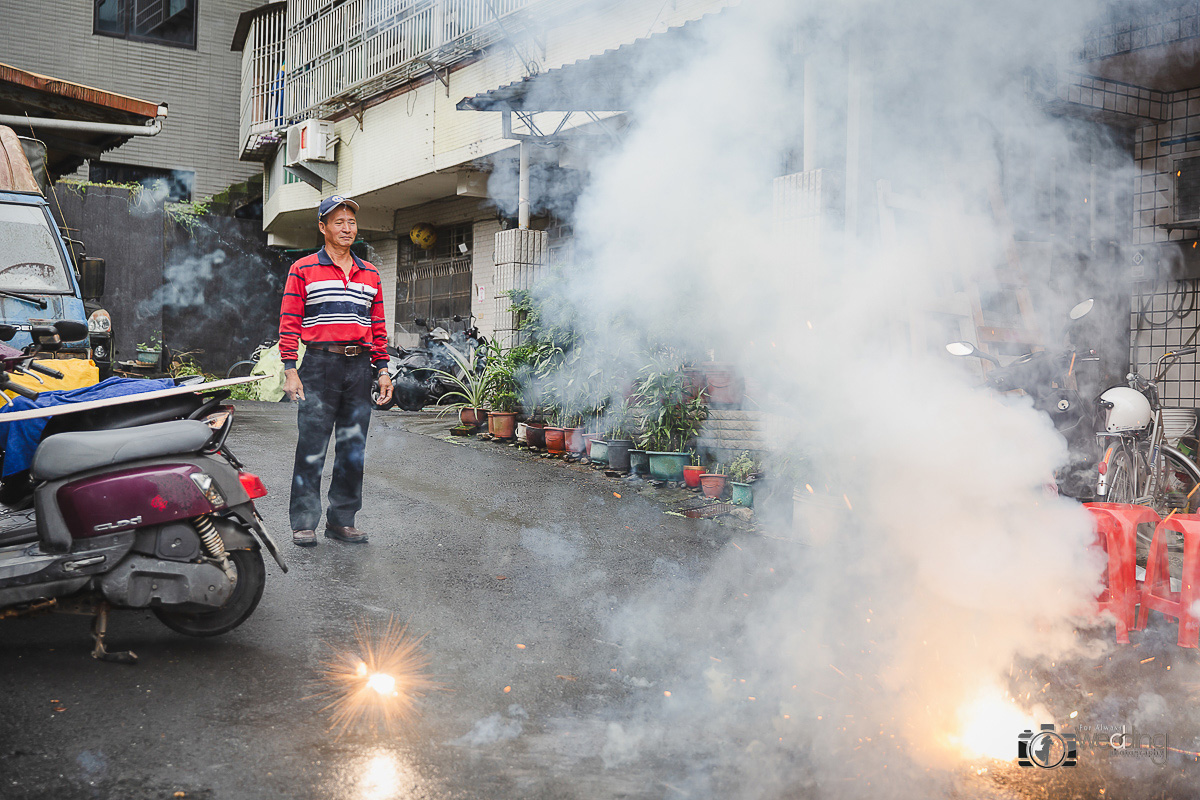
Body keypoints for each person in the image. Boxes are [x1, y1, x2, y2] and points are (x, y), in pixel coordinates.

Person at [279, 195, 393, 547]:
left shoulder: (370, 273)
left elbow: (377, 327)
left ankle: (342, 520)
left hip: (359, 367)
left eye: (352, 222)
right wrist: (290, 368)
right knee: (312, 445)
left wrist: (383, 369)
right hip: (318, 365)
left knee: (352, 447)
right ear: (322, 227)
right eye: (339, 222)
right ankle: (304, 521)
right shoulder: (303, 269)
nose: (347, 228)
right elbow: (289, 321)